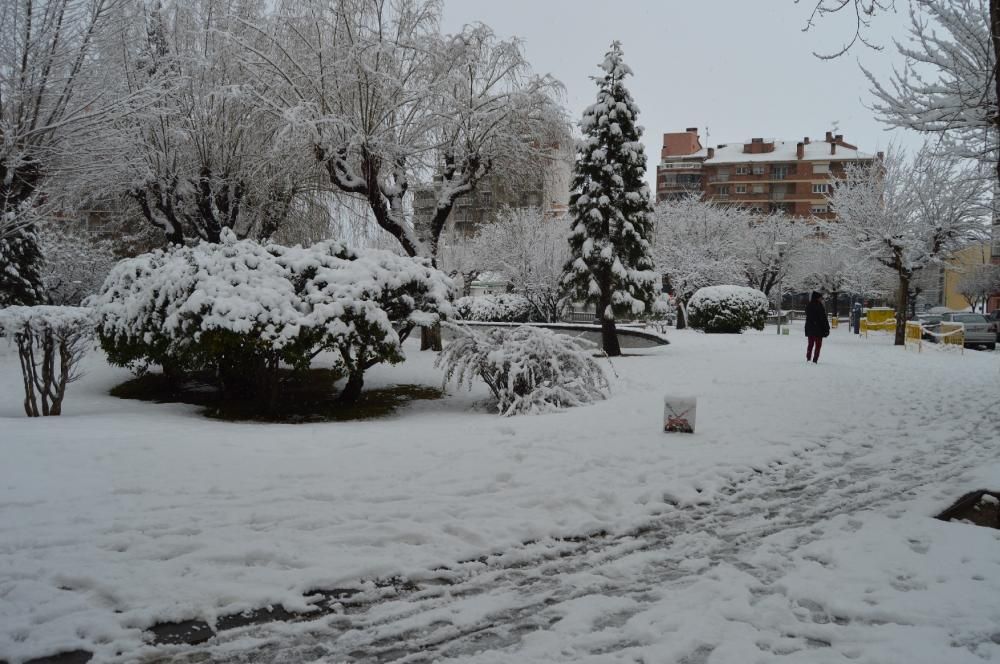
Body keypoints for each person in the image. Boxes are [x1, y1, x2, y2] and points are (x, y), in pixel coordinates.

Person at [804, 291, 831, 363]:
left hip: (810, 329)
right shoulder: (819, 306)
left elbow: (808, 318)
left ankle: (808, 358)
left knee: (810, 344)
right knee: (818, 345)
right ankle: (815, 359)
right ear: (817, 298)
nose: (821, 299)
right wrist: (826, 328)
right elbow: (823, 318)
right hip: (818, 329)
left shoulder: (809, 305)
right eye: (820, 298)